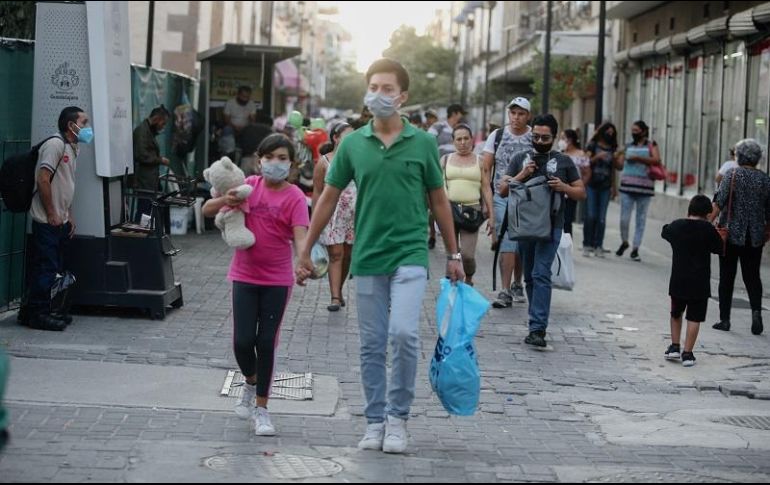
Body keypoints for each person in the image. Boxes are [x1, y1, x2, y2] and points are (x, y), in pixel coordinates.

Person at [296, 58, 464, 454]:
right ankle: (374, 421)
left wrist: (454, 252)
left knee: (403, 334)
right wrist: (306, 249)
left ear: (402, 96)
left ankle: (398, 419)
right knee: (371, 344)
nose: (379, 94)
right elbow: (328, 199)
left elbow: (438, 199)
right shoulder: (353, 144)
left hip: (409, 253)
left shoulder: (422, 142)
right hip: (368, 254)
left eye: (387, 89)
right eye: (373, 86)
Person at [203, 134, 309, 436]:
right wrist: (227, 200)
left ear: (291, 164)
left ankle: (262, 408)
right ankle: (250, 382)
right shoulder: (249, 185)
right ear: (259, 159)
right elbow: (208, 210)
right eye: (270, 157)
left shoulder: (295, 197)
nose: (275, 163)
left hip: (277, 280)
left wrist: (303, 261)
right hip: (244, 276)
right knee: (242, 341)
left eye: (282, 159)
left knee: (266, 343)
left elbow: (301, 234)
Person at [500, 114, 585, 348]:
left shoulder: (563, 161)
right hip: (525, 227)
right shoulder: (520, 158)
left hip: (551, 226)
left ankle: (538, 328)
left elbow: (581, 192)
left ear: (554, 137)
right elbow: (503, 190)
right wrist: (522, 175)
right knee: (529, 276)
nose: (539, 140)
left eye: (544, 137)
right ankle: (534, 321)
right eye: (535, 136)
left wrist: (564, 187)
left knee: (540, 273)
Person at [20, 107, 90, 332]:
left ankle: (36, 309)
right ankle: (37, 314)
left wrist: (68, 216)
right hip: (46, 221)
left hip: (59, 220)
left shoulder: (72, 147)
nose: (87, 128)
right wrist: (51, 212)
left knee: (53, 266)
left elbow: (65, 185)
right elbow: (43, 180)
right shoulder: (55, 145)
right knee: (46, 267)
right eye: (84, 122)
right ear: (72, 125)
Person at [710, 138, 770, 336]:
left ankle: (725, 320)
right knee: (752, 276)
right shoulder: (764, 179)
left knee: (727, 277)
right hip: (754, 237)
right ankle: (756, 313)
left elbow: (718, 203)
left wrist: (704, 224)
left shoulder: (732, 174)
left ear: (739, 156)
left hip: (730, 234)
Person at [661, 195, 723, 367]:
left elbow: (664, 231)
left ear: (690, 209)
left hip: (678, 281)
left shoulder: (677, 226)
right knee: (694, 318)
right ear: (707, 213)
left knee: (675, 313)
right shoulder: (708, 230)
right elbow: (719, 248)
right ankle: (687, 354)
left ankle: (674, 346)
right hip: (700, 283)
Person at [483, 97, 533, 308]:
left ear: (527, 116)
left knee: (521, 243)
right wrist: (486, 202)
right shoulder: (497, 135)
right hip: (502, 196)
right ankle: (504, 290)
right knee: (507, 242)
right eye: (513, 113)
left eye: (521, 114)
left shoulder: (534, 136)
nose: (516, 117)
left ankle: (517, 283)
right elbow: (485, 169)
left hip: (528, 197)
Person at [442, 123, 494, 286]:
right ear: (453, 141)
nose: (463, 142)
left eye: (466, 138)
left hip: (471, 211)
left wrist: (491, 214)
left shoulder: (480, 161)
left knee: (467, 255)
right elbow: (438, 187)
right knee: (452, 253)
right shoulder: (445, 160)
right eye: (459, 139)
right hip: (449, 211)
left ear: (472, 140)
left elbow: (486, 188)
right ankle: (452, 285)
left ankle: (469, 279)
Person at [312, 122, 356, 312]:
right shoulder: (324, 162)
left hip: (354, 213)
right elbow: (317, 191)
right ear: (336, 138)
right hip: (332, 213)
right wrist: (315, 218)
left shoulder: (360, 160)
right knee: (336, 254)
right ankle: (335, 297)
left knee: (348, 255)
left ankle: (339, 288)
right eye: (347, 136)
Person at [616, 120, 661, 262]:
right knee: (624, 218)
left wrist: (637, 158)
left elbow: (657, 160)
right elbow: (619, 165)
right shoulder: (628, 145)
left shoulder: (651, 145)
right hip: (627, 186)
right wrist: (616, 157)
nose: (633, 133)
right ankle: (624, 241)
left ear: (643, 131)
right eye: (632, 130)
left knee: (640, 219)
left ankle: (635, 248)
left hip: (645, 187)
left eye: (636, 130)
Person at [427, 104, 467, 248]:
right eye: (461, 113)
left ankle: (454, 239)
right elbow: (427, 142)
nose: (462, 116)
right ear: (455, 113)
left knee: (454, 204)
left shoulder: (461, 129)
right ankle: (432, 234)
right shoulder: (439, 126)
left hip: (455, 171)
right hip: (438, 171)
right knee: (433, 205)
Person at [583, 123, 619, 257]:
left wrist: (614, 187)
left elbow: (614, 169)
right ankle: (587, 244)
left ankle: (598, 245)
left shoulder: (613, 148)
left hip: (605, 185)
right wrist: (597, 157)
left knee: (601, 218)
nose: (609, 135)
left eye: (612, 133)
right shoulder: (593, 145)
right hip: (592, 184)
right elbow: (585, 162)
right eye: (607, 132)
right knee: (591, 215)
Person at [132, 105, 171, 222]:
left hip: (150, 178)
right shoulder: (142, 131)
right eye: (163, 123)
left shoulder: (148, 131)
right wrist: (160, 160)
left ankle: (146, 231)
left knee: (149, 207)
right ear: (157, 119)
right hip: (144, 179)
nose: (162, 126)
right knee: (144, 208)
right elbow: (142, 155)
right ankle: (141, 232)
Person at [559, 129, 590, 236]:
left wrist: (579, 187)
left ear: (570, 140)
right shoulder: (559, 154)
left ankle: (567, 245)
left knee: (567, 221)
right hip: (559, 191)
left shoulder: (581, 154)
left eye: (563, 138)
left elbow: (587, 173)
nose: (561, 141)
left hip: (571, 192)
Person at [223, 86, 257, 154]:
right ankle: (229, 152)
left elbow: (253, 120)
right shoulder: (230, 103)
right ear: (238, 95)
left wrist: (246, 126)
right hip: (232, 126)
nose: (245, 99)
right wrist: (235, 127)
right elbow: (226, 119)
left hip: (246, 128)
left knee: (253, 132)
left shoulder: (251, 104)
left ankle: (248, 153)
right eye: (243, 96)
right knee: (227, 129)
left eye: (247, 97)